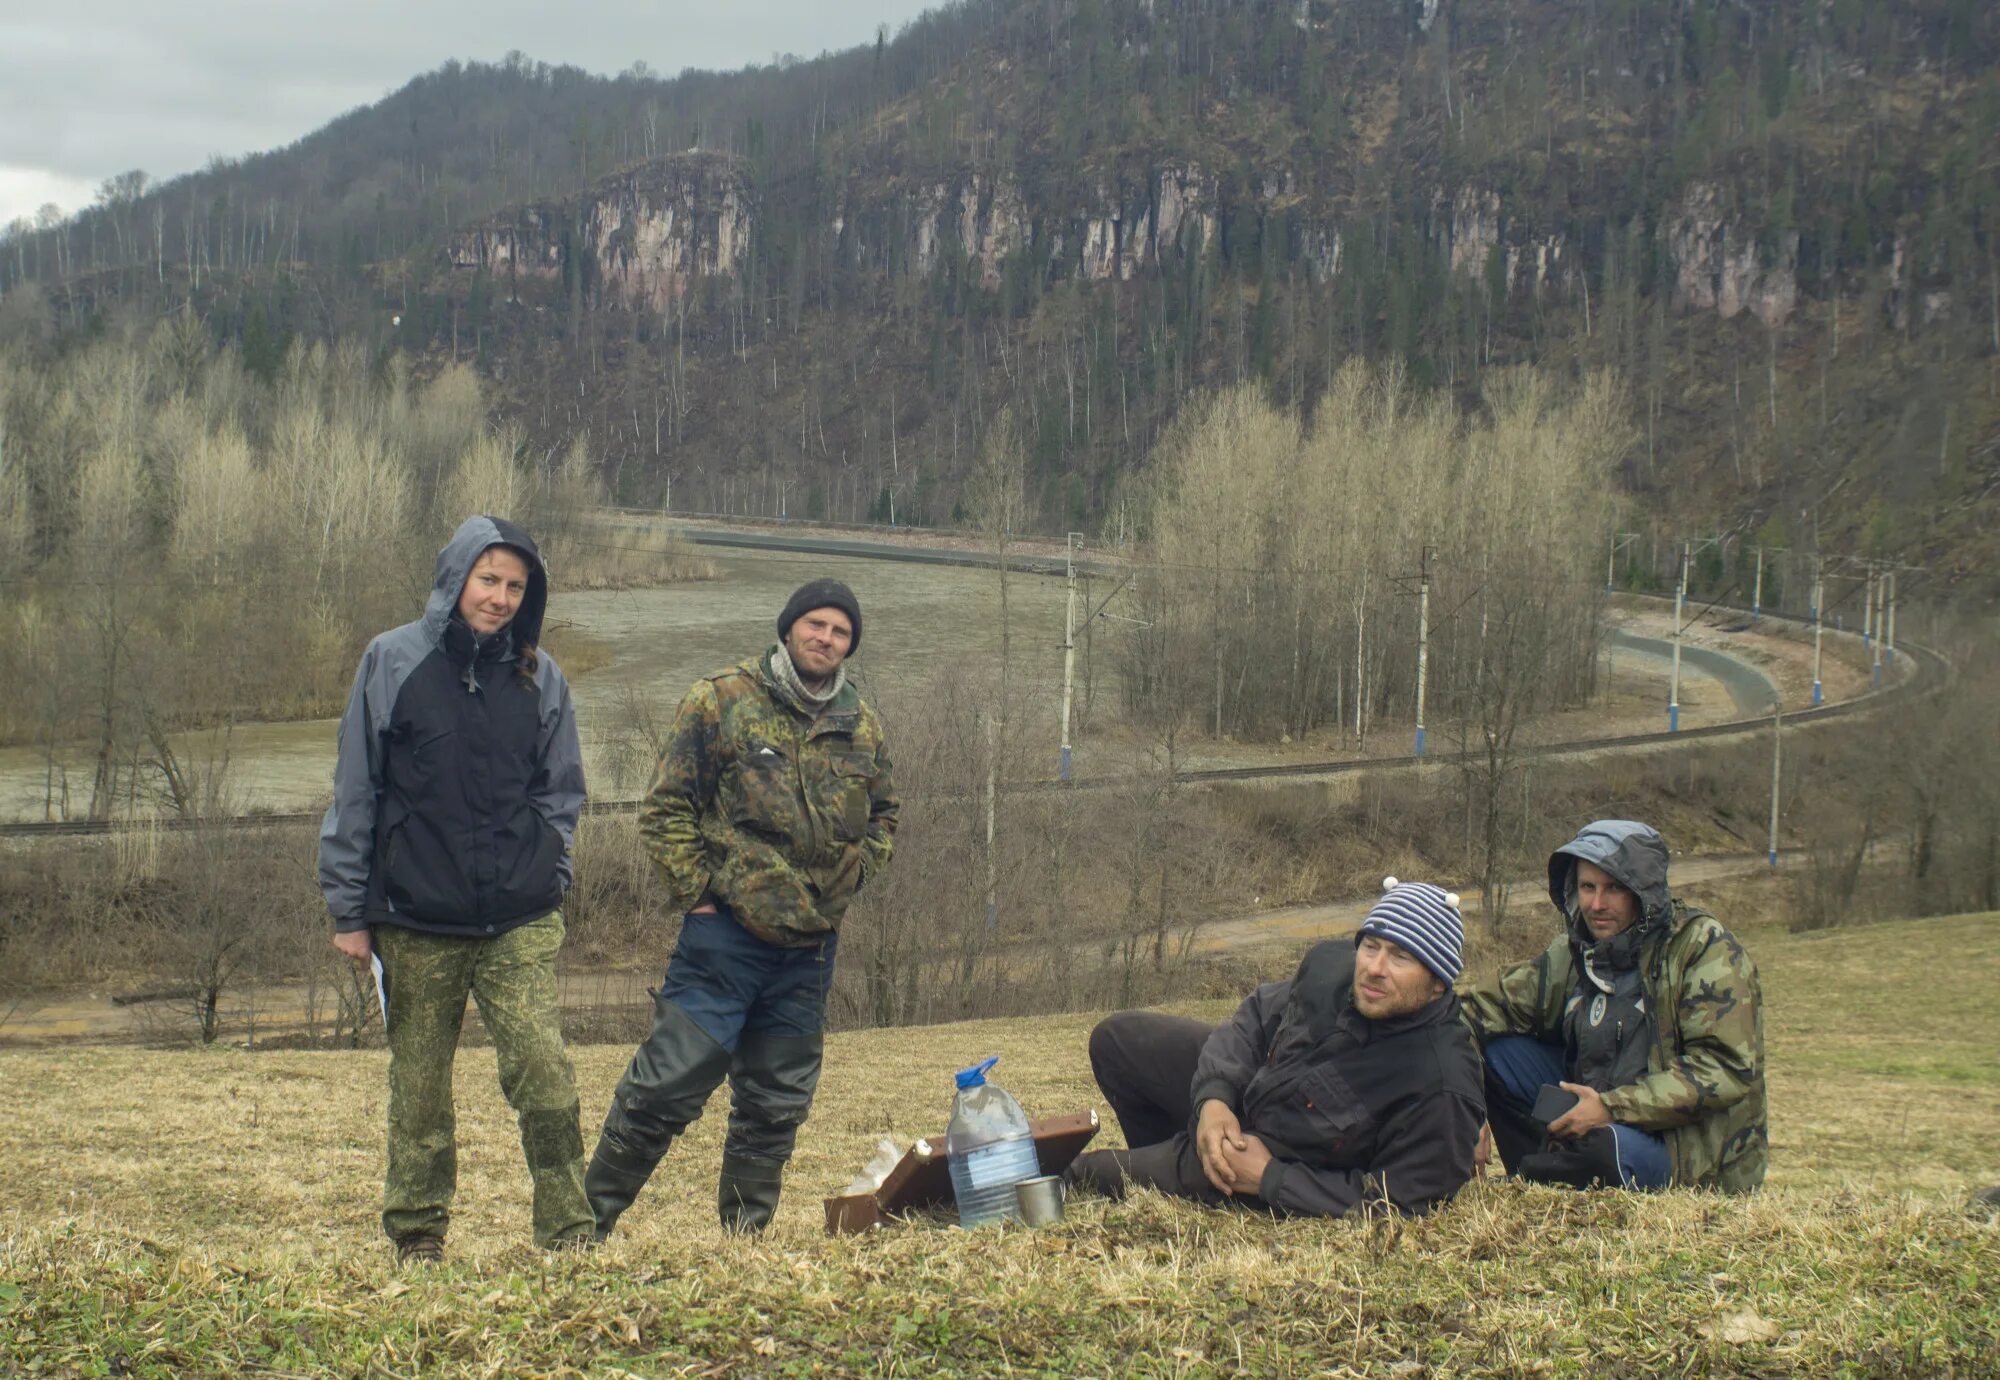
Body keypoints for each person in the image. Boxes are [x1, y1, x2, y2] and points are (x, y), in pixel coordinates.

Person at [586, 578, 898, 1236]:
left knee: (776, 1102)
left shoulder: (860, 723)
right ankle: (582, 1229)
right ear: (788, 629)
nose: (826, 639)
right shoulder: (722, 699)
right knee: (668, 1084)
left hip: (809, 949)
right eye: (816, 625)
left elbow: (885, 813)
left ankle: (743, 1242)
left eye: (841, 632)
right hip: (725, 938)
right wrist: (697, 894)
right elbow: (666, 808)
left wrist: (856, 874)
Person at [319, 515, 593, 1261]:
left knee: (544, 1074)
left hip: (519, 916)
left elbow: (562, 789)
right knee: (419, 1092)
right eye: (488, 579)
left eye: (515, 585)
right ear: (454, 577)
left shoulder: (542, 675)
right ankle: (417, 1236)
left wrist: (550, 863)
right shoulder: (390, 661)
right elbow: (355, 791)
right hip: (416, 920)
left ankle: (568, 1234)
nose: (501, 598)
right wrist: (350, 909)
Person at [1067, 881, 1485, 1218]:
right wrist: (1214, 1098)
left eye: (1401, 957)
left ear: (1437, 984)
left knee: (1081, 1174)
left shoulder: (1441, 1084)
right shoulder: (1333, 971)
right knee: (1117, 1039)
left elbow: (1399, 1202)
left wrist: (1271, 1178)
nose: (1374, 968)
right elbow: (1254, 1018)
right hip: (1247, 1095)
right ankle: (1183, 1152)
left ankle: (1189, 1172)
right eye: (1371, 945)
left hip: (1267, 1155)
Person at [1459, 819, 1767, 1192]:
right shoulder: (1573, 955)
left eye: (1614, 888)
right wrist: (1465, 1108)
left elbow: (1724, 1069)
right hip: (1598, 1112)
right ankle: (1536, 1181)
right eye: (1587, 887)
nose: (1596, 904)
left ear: (1644, 893)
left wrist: (1612, 1108)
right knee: (1498, 1053)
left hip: (1684, 1147)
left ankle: (1562, 1173)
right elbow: (1470, 1013)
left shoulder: (1704, 950)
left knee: (1603, 1151)